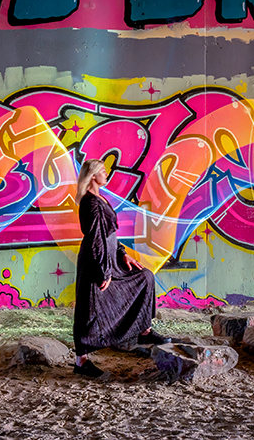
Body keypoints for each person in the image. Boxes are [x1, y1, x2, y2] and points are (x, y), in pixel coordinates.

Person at [72, 159, 168, 378]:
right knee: (89, 308)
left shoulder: (100, 199)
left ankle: (144, 331)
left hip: (110, 258)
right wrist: (102, 271)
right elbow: (97, 239)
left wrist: (123, 254)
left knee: (144, 277)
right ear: (93, 176)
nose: (107, 175)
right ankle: (81, 363)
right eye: (103, 172)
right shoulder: (91, 203)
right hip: (97, 261)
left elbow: (110, 235)